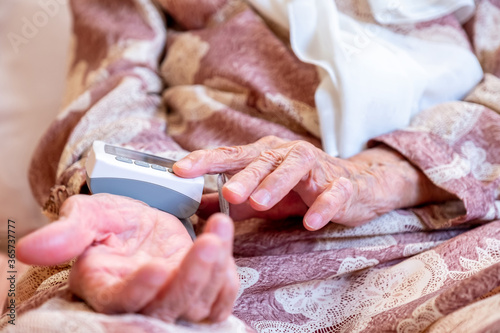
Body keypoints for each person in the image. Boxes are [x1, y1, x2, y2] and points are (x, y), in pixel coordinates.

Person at [7, 0, 500, 331]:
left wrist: (369, 177)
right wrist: (153, 203)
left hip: (442, 231)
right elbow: (109, 89)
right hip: (201, 234)